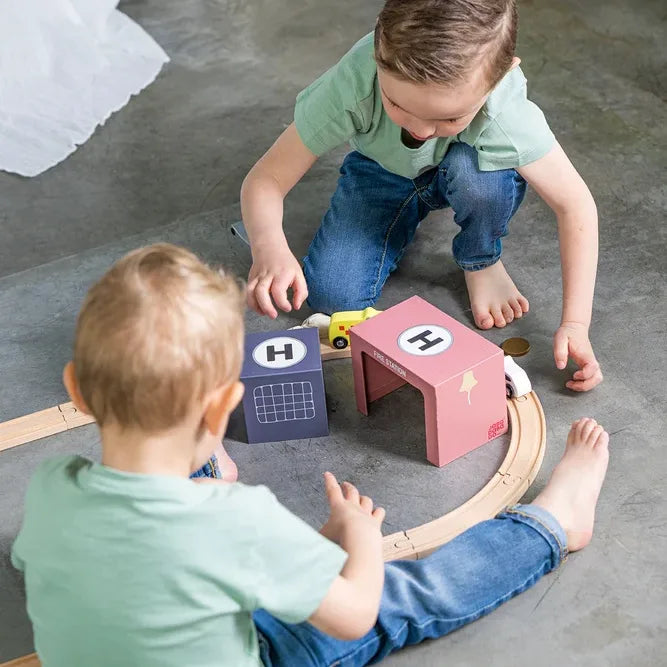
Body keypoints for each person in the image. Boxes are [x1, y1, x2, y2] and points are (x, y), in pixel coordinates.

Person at [12, 244, 609, 666]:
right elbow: (351, 615)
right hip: (252, 650)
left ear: (77, 391)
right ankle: (552, 524)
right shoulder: (238, 525)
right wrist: (359, 544)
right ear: (223, 410)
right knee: (405, 598)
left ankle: (196, 467)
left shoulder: (51, 486)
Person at [241, 0, 603, 392]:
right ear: (378, 55)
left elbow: (575, 205)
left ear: (500, 78)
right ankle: (407, 209)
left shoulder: (504, 109)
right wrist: (269, 247)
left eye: (449, 117)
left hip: (471, 170)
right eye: (397, 104)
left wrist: (575, 323)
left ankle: (480, 259)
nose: (420, 130)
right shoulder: (352, 82)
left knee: (478, 180)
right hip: (380, 172)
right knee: (333, 294)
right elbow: (266, 178)